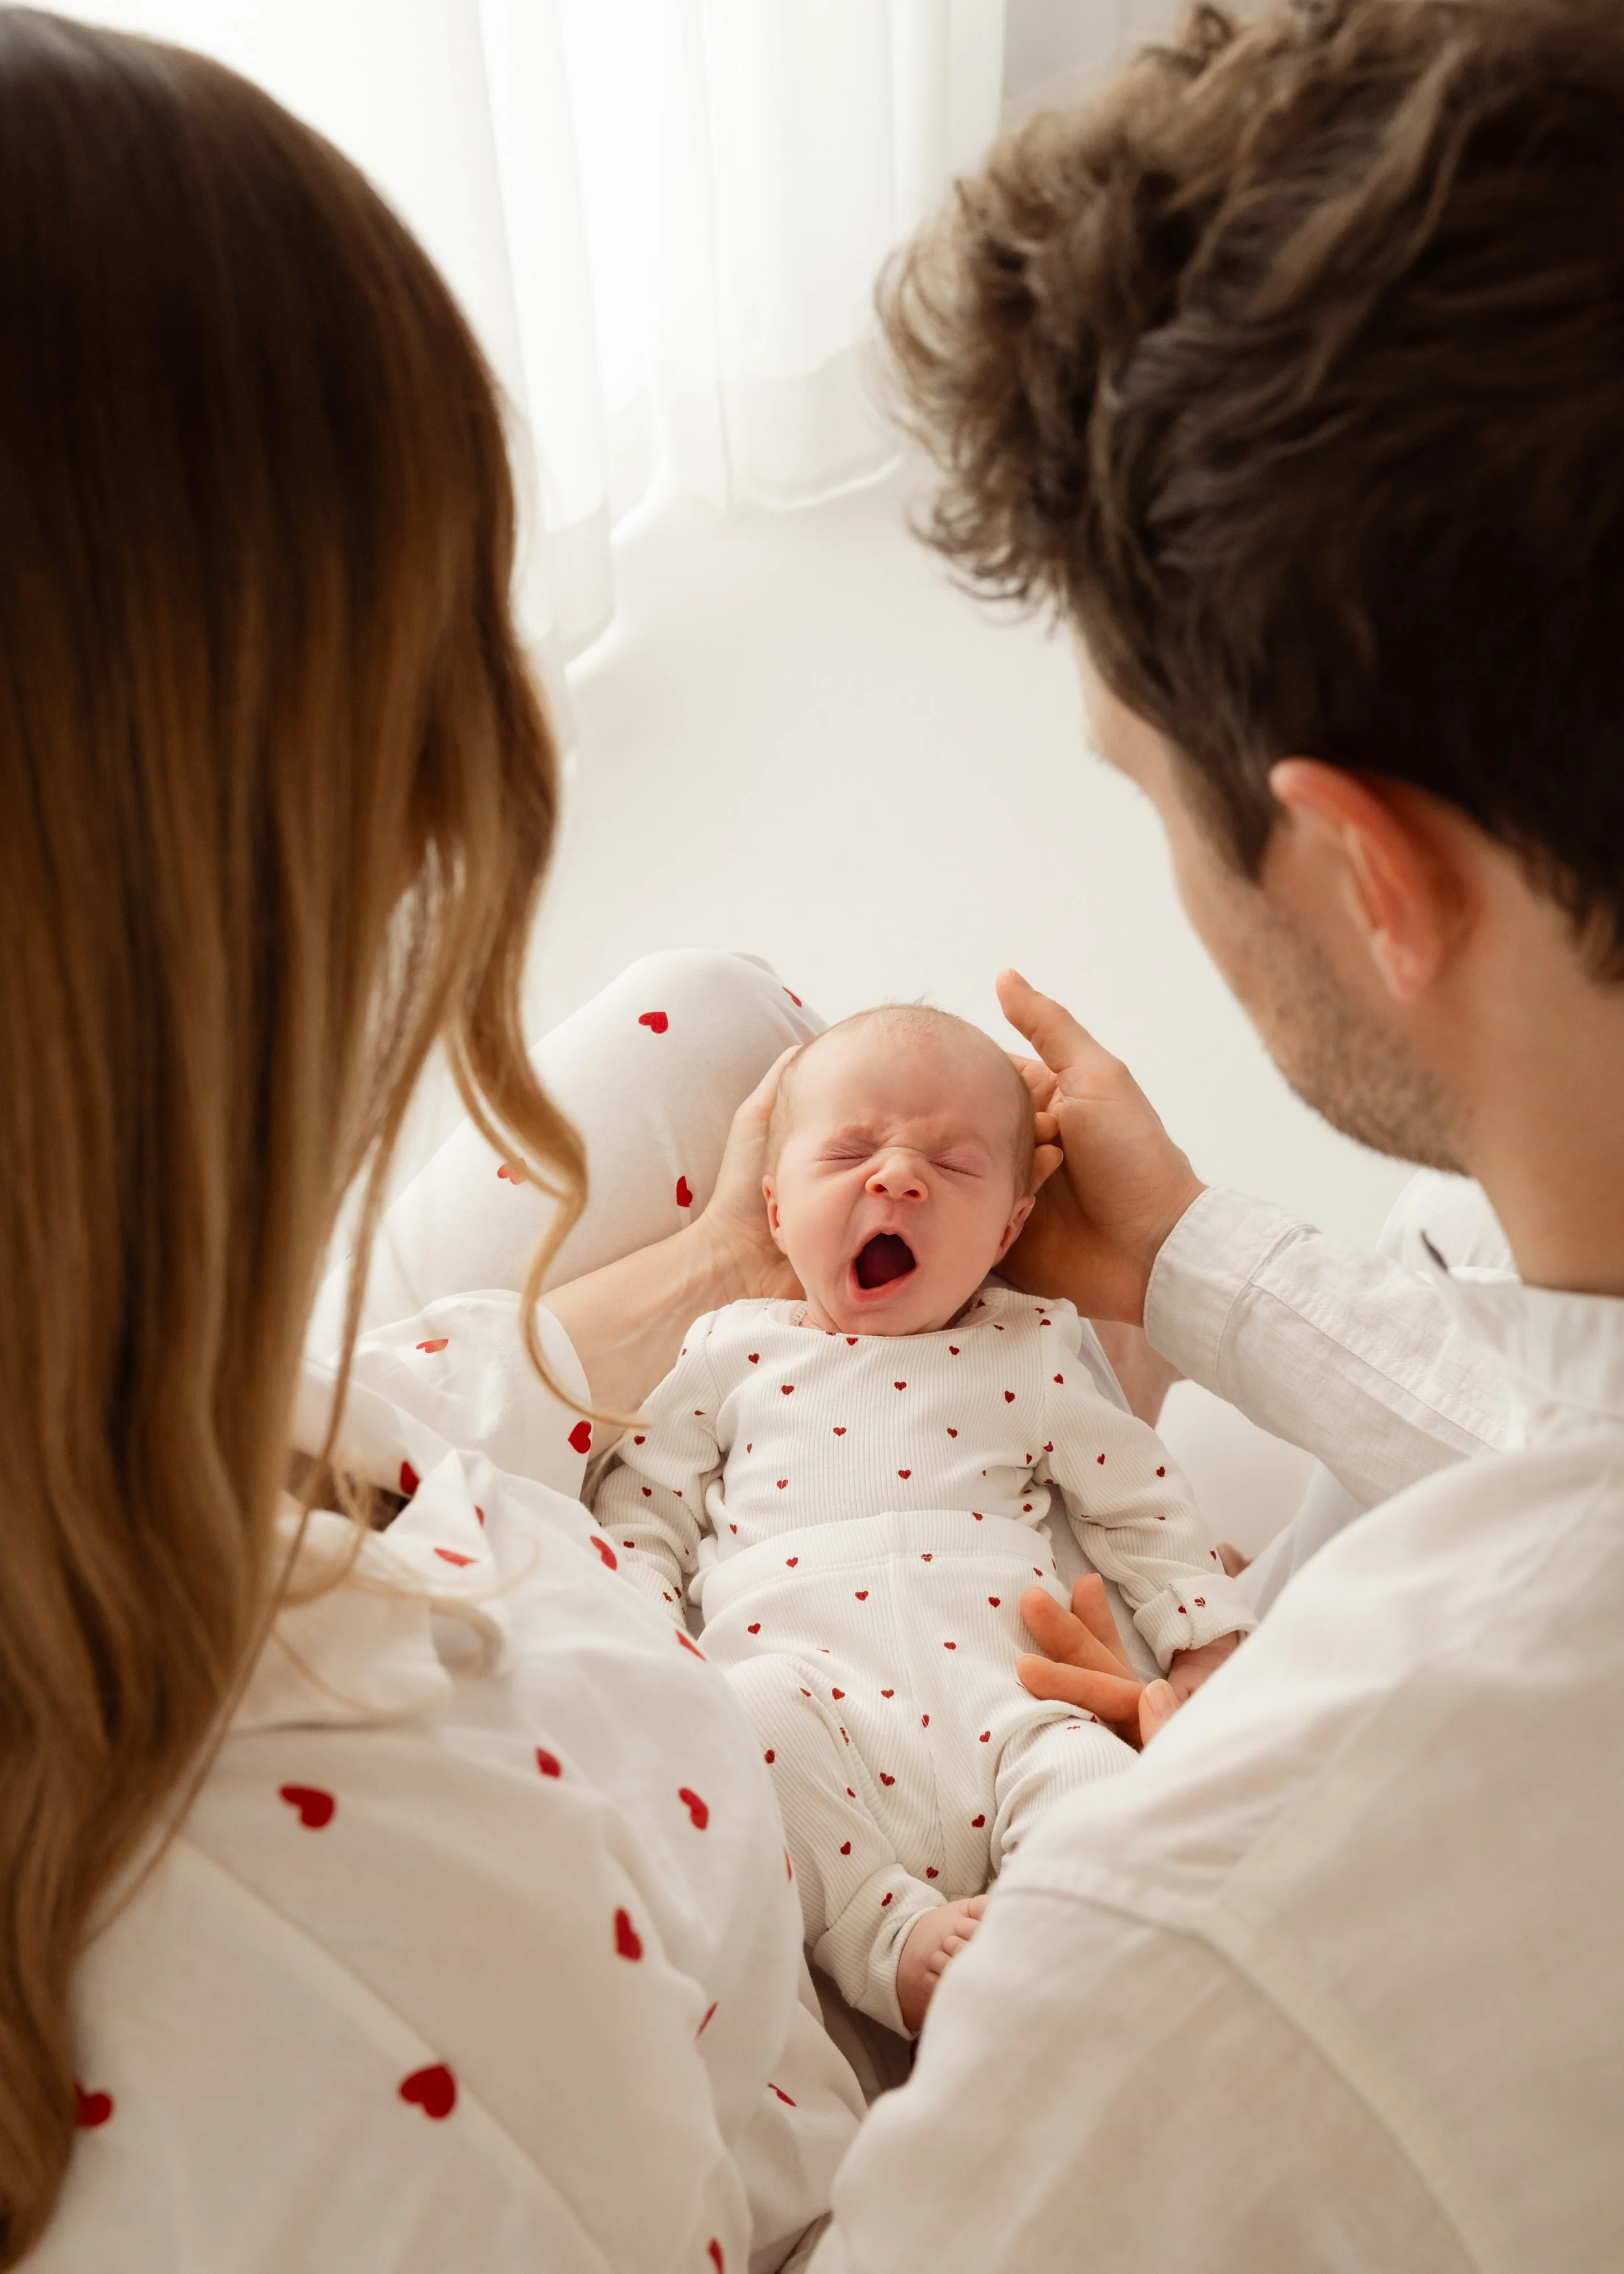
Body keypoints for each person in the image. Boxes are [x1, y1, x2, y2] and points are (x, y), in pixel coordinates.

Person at [0, 17, 863, 2271]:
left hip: (437, 1547)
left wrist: (686, 1298)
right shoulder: (418, 1958)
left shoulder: (123, 1397)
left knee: (735, 1024)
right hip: (722, 1940)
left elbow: (303, 1426)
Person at [805, 0, 1624, 2263]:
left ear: (1365, 871)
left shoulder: (1209, 1956)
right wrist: (1192, 1269)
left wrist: (1241, 1834)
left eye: (1136, 792)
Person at [592, 1006, 1251, 2036]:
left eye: (951, 1164)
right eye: (850, 1151)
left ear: (1008, 1233)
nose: (897, 1178)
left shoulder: (1031, 1343)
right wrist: (645, 1645)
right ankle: (881, 1934)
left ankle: (1051, 1949)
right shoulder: (731, 1350)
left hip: (1009, 1706)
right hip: (815, 1707)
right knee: (747, 1715)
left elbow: (1138, 1498)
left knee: (1091, 1776)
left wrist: (1206, 1635)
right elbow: (643, 1507)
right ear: (774, 1209)